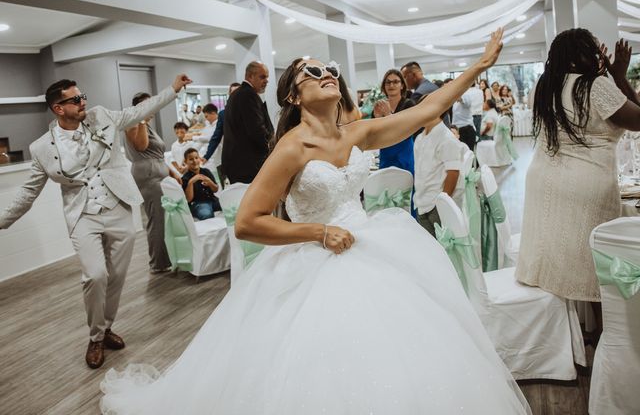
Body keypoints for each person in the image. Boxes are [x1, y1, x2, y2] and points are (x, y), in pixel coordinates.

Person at [100, 30, 531, 414]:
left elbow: (427, 109)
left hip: (373, 248)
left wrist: (479, 65)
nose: (327, 74)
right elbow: (247, 223)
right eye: (313, 72)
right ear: (293, 96)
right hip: (313, 264)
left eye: (330, 70)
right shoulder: (292, 147)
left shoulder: (355, 132)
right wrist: (318, 232)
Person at [0, 74, 191, 369]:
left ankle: (106, 327)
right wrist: (2, 221)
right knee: (95, 275)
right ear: (58, 108)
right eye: (75, 99)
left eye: (82, 96)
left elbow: (138, 112)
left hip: (117, 207)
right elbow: (29, 191)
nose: (83, 102)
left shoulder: (101, 116)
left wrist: (174, 89)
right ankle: (95, 338)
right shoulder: (41, 148)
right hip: (82, 215)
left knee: (117, 275)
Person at [516, 32, 640, 307]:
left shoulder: (543, 86)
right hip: (586, 182)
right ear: (579, 54)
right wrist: (618, 75)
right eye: (594, 49)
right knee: (592, 260)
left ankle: (569, 328)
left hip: (544, 178)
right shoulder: (594, 86)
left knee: (558, 255)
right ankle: (597, 335)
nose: (600, 55)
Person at [124, 93, 175, 274]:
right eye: (149, 105)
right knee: (157, 219)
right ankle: (158, 263)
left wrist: (175, 174)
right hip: (148, 176)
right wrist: (143, 120)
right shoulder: (133, 124)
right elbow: (142, 146)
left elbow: (159, 154)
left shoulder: (146, 125)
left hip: (158, 173)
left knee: (164, 218)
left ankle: (167, 258)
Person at [414, 112, 468, 237]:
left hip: (436, 203)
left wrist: (442, 202)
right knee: (428, 246)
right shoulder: (420, 138)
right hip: (422, 201)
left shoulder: (446, 138)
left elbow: (453, 172)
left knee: (442, 246)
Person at [222, 61, 274, 183]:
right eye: (262, 77)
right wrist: (271, 148)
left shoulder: (236, 94)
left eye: (267, 77)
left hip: (237, 162)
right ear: (250, 76)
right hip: (247, 164)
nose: (266, 81)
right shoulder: (248, 95)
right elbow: (256, 130)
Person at [372, 69, 415, 174]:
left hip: (404, 153)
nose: (391, 85)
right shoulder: (380, 106)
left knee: (405, 185)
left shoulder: (409, 104)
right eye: (388, 82)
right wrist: (377, 118)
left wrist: (388, 115)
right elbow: (375, 133)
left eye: (395, 82)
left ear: (402, 85)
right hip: (386, 153)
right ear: (384, 86)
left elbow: (407, 130)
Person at [202, 83, 240, 187]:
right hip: (231, 157)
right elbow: (216, 137)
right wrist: (206, 156)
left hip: (250, 158)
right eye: (233, 92)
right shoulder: (223, 114)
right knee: (233, 187)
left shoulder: (251, 110)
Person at [181, 148, 221, 220]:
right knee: (206, 214)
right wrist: (191, 182)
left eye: (196, 158)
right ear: (186, 162)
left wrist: (210, 182)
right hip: (198, 203)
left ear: (199, 159)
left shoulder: (206, 171)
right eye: (191, 159)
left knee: (228, 205)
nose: (194, 161)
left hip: (213, 200)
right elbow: (188, 199)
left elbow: (216, 189)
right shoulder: (185, 178)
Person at [452, 82, 478, 152]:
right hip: (458, 130)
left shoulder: (466, 94)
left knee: (468, 154)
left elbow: (467, 103)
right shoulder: (454, 99)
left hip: (467, 130)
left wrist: (459, 97)